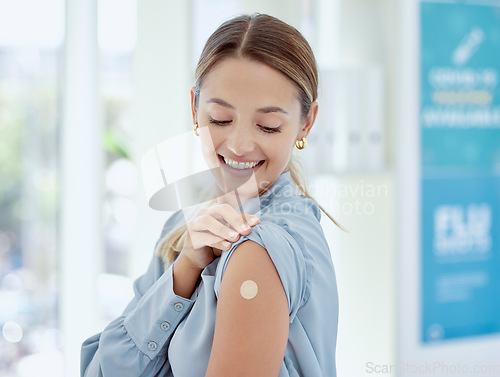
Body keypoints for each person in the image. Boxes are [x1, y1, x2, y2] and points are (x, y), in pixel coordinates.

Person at [81, 13, 341, 377]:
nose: (239, 144)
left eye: (268, 126)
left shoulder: (260, 249)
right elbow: (99, 369)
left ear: (306, 123)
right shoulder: (182, 228)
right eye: (220, 119)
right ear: (194, 108)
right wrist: (185, 269)